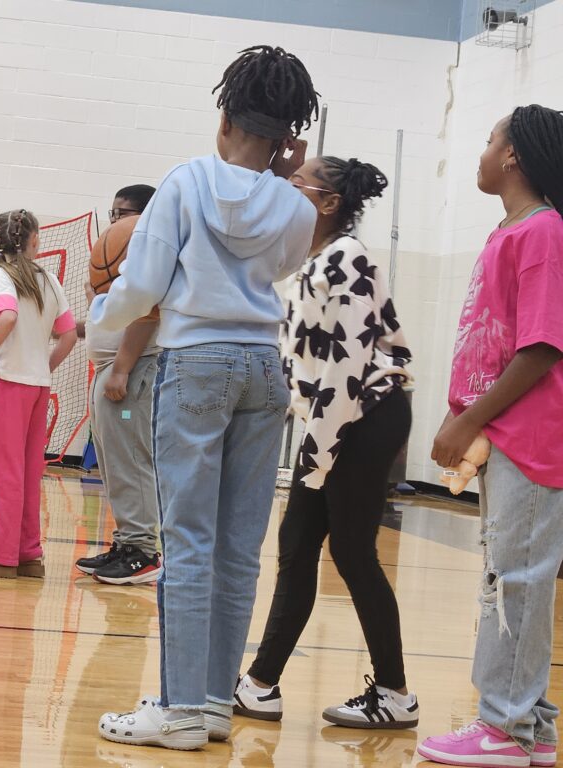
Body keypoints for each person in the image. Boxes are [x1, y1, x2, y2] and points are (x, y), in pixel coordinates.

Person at [92, 45, 319, 750]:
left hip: (195, 363)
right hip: (263, 366)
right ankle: (215, 703)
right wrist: (279, 178)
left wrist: (102, 316)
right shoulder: (295, 203)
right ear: (287, 136)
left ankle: (180, 707)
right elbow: (282, 263)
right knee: (238, 548)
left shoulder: (186, 181)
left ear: (224, 118)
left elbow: (145, 281)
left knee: (186, 539)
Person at [234, 156, 418, 729]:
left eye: (296, 184)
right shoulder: (315, 259)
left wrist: (316, 454)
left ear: (328, 202)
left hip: (363, 414)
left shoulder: (347, 257)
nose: (285, 190)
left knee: (352, 552)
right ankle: (261, 685)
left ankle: (394, 693)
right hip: (340, 419)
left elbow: (347, 362)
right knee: (299, 542)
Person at [418, 105, 563, 768]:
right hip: (505, 435)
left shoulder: (543, 232)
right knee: (508, 574)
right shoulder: (510, 232)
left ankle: (502, 729)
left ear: (512, 156)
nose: (481, 151)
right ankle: (529, 724)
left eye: (488, 139)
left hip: (530, 434)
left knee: (517, 578)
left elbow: (541, 348)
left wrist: (469, 419)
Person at [0, 210, 78, 578]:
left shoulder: (3, 277)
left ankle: (0, 552)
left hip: (10, 385)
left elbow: (6, 319)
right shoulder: (51, 280)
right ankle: (27, 551)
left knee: (3, 470)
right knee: (27, 470)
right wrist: (43, 365)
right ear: (35, 242)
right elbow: (69, 336)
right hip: (39, 386)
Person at [75, 183, 163, 584]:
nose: (115, 221)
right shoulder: (116, 258)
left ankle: (143, 552)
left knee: (131, 460)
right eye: (112, 213)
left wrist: (123, 368)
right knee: (114, 465)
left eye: (124, 213)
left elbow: (149, 314)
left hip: (131, 368)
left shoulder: (150, 252)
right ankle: (127, 542)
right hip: (110, 368)